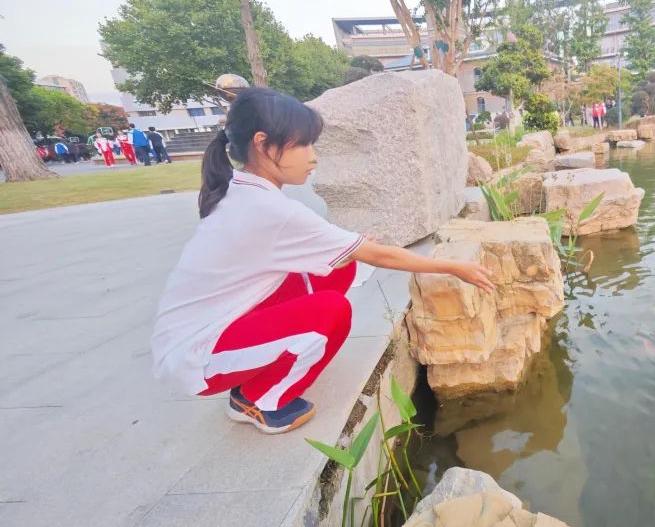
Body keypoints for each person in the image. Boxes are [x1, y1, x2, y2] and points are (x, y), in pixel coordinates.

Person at [151, 88, 495, 435]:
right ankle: (258, 400)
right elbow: (378, 256)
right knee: (331, 312)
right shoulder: (269, 209)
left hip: (206, 333)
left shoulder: (242, 189)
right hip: (198, 358)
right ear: (263, 144)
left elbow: (347, 253)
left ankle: (260, 367)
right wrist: (455, 267)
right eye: (303, 145)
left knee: (339, 268)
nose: (313, 158)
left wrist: (351, 249)